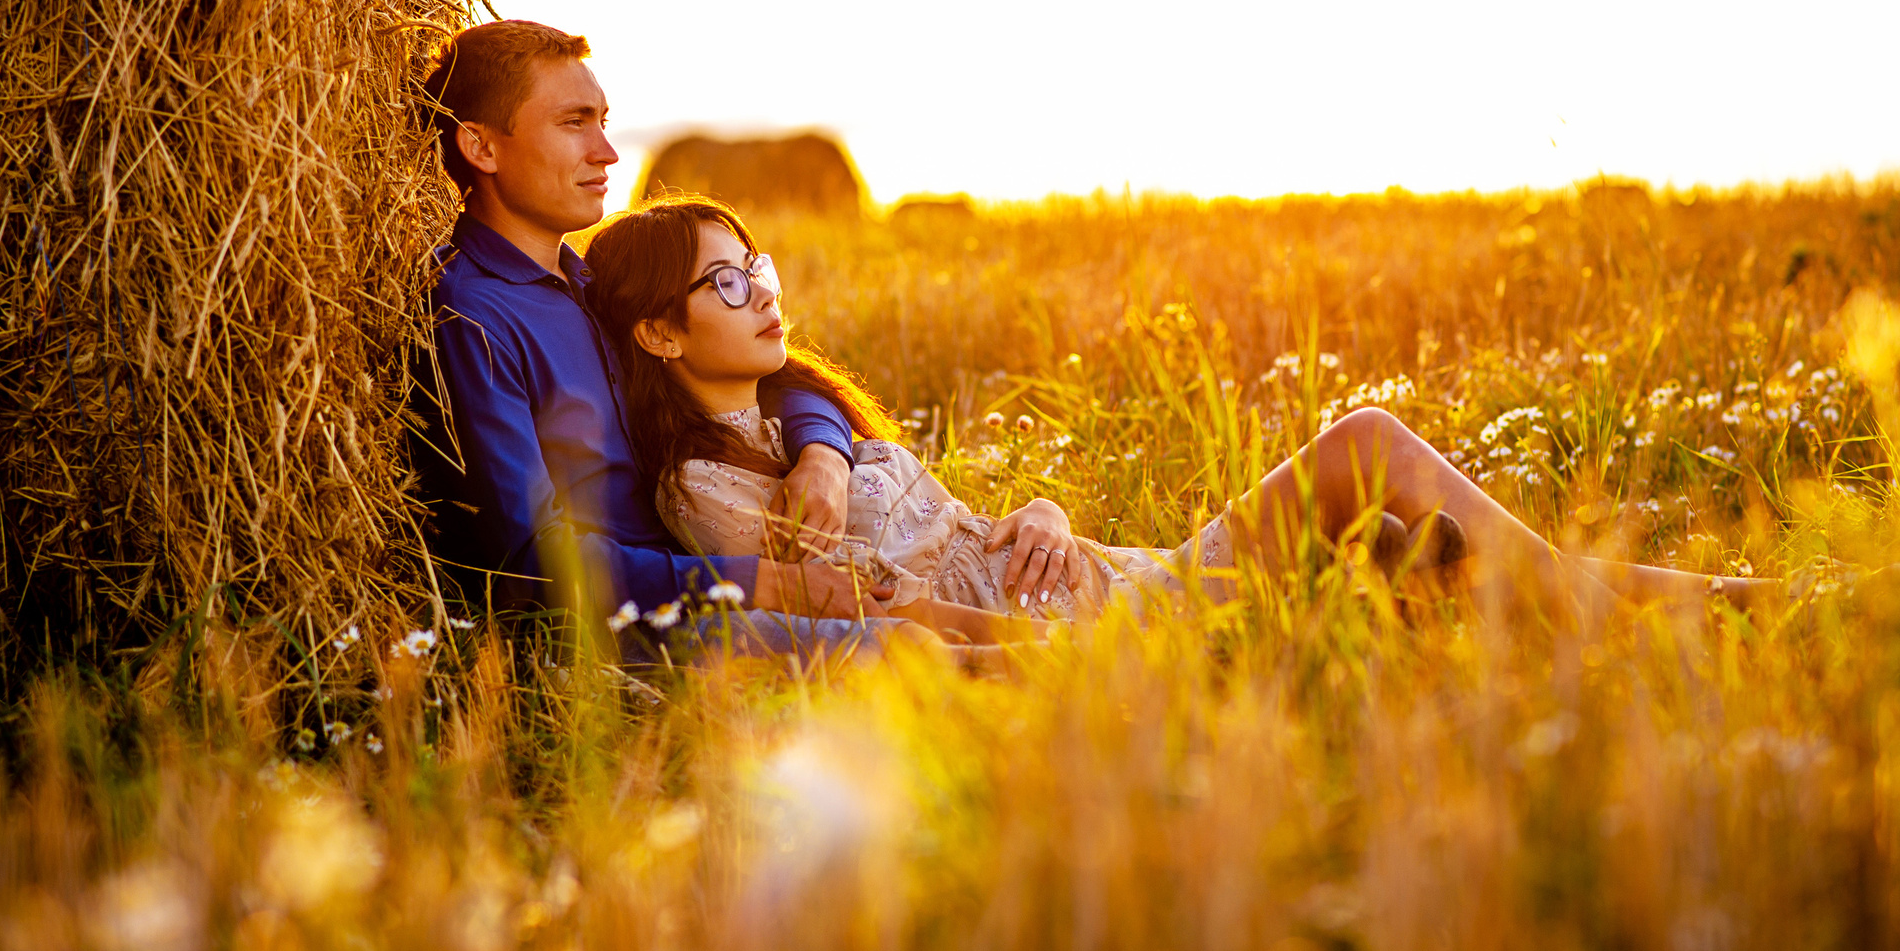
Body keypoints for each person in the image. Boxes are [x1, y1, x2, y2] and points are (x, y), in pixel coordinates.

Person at [587, 198, 1758, 639]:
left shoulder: (806, 421)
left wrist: (1037, 503)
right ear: (658, 332)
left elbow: (959, 514)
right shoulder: (705, 489)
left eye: (763, 265)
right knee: (1390, 515)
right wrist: (1028, 645)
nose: (764, 292)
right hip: (1085, 631)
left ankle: (1698, 605)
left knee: (1368, 440)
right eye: (726, 282)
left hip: (1101, 572)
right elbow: (859, 608)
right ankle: (1641, 619)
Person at [415, 20, 908, 663]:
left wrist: (821, 455)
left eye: (604, 121)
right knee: (914, 652)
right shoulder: (474, 316)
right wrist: (764, 584)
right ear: (480, 147)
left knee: (970, 609)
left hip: (720, 566)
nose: (608, 153)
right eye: (574, 123)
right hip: (631, 627)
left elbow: (769, 375)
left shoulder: (598, 284)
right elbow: (531, 556)